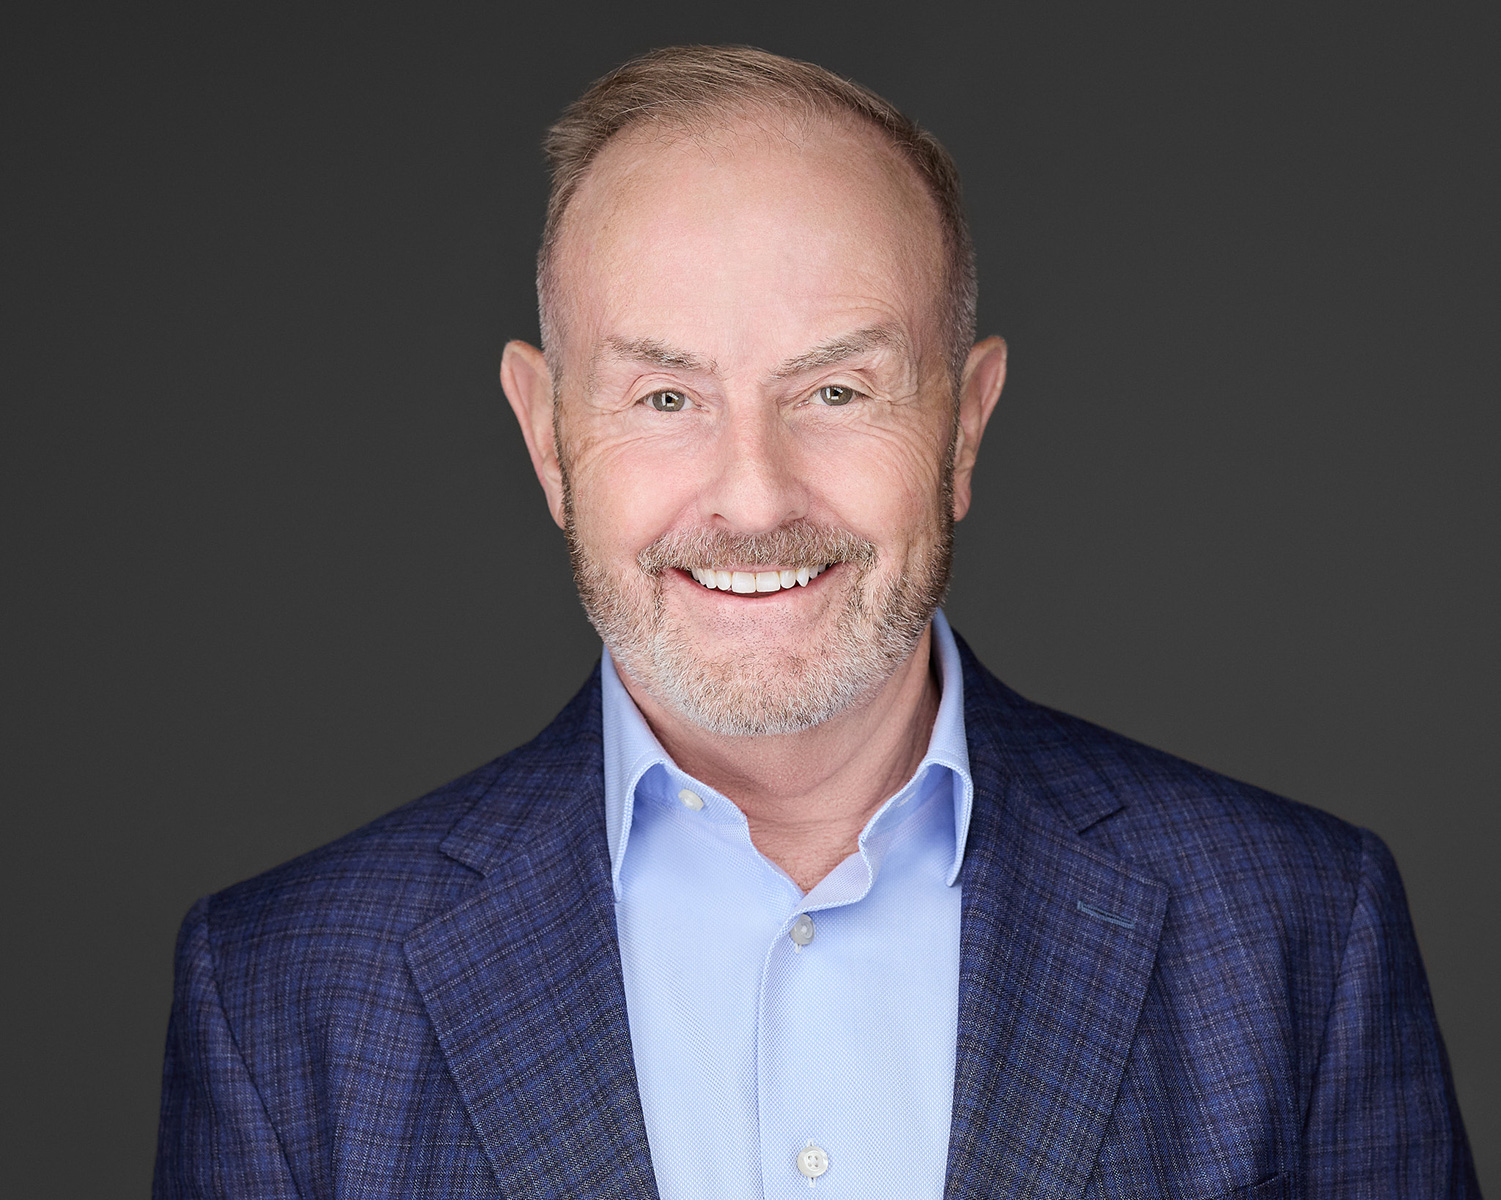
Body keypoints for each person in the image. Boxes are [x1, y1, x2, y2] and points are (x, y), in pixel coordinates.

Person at [154, 45, 1477, 1199]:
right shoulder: (282, 993)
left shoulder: (1300, 927)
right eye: (665, 398)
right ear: (546, 437)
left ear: (964, 424)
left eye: (836, 392)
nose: (753, 497)